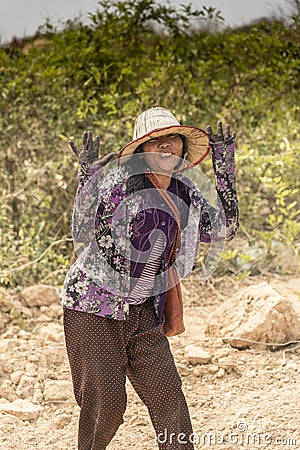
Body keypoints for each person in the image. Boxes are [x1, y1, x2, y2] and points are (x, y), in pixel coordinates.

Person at [61, 107, 239, 450]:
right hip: (94, 308)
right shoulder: (122, 183)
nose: (164, 147)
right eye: (154, 141)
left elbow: (225, 229)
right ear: (142, 151)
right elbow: (85, 230)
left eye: (171, 138)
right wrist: (87, 179)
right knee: (108, 407)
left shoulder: (186, 192)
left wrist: (224, 165)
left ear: (182, 146)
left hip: (143, 310)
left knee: (170, 401)